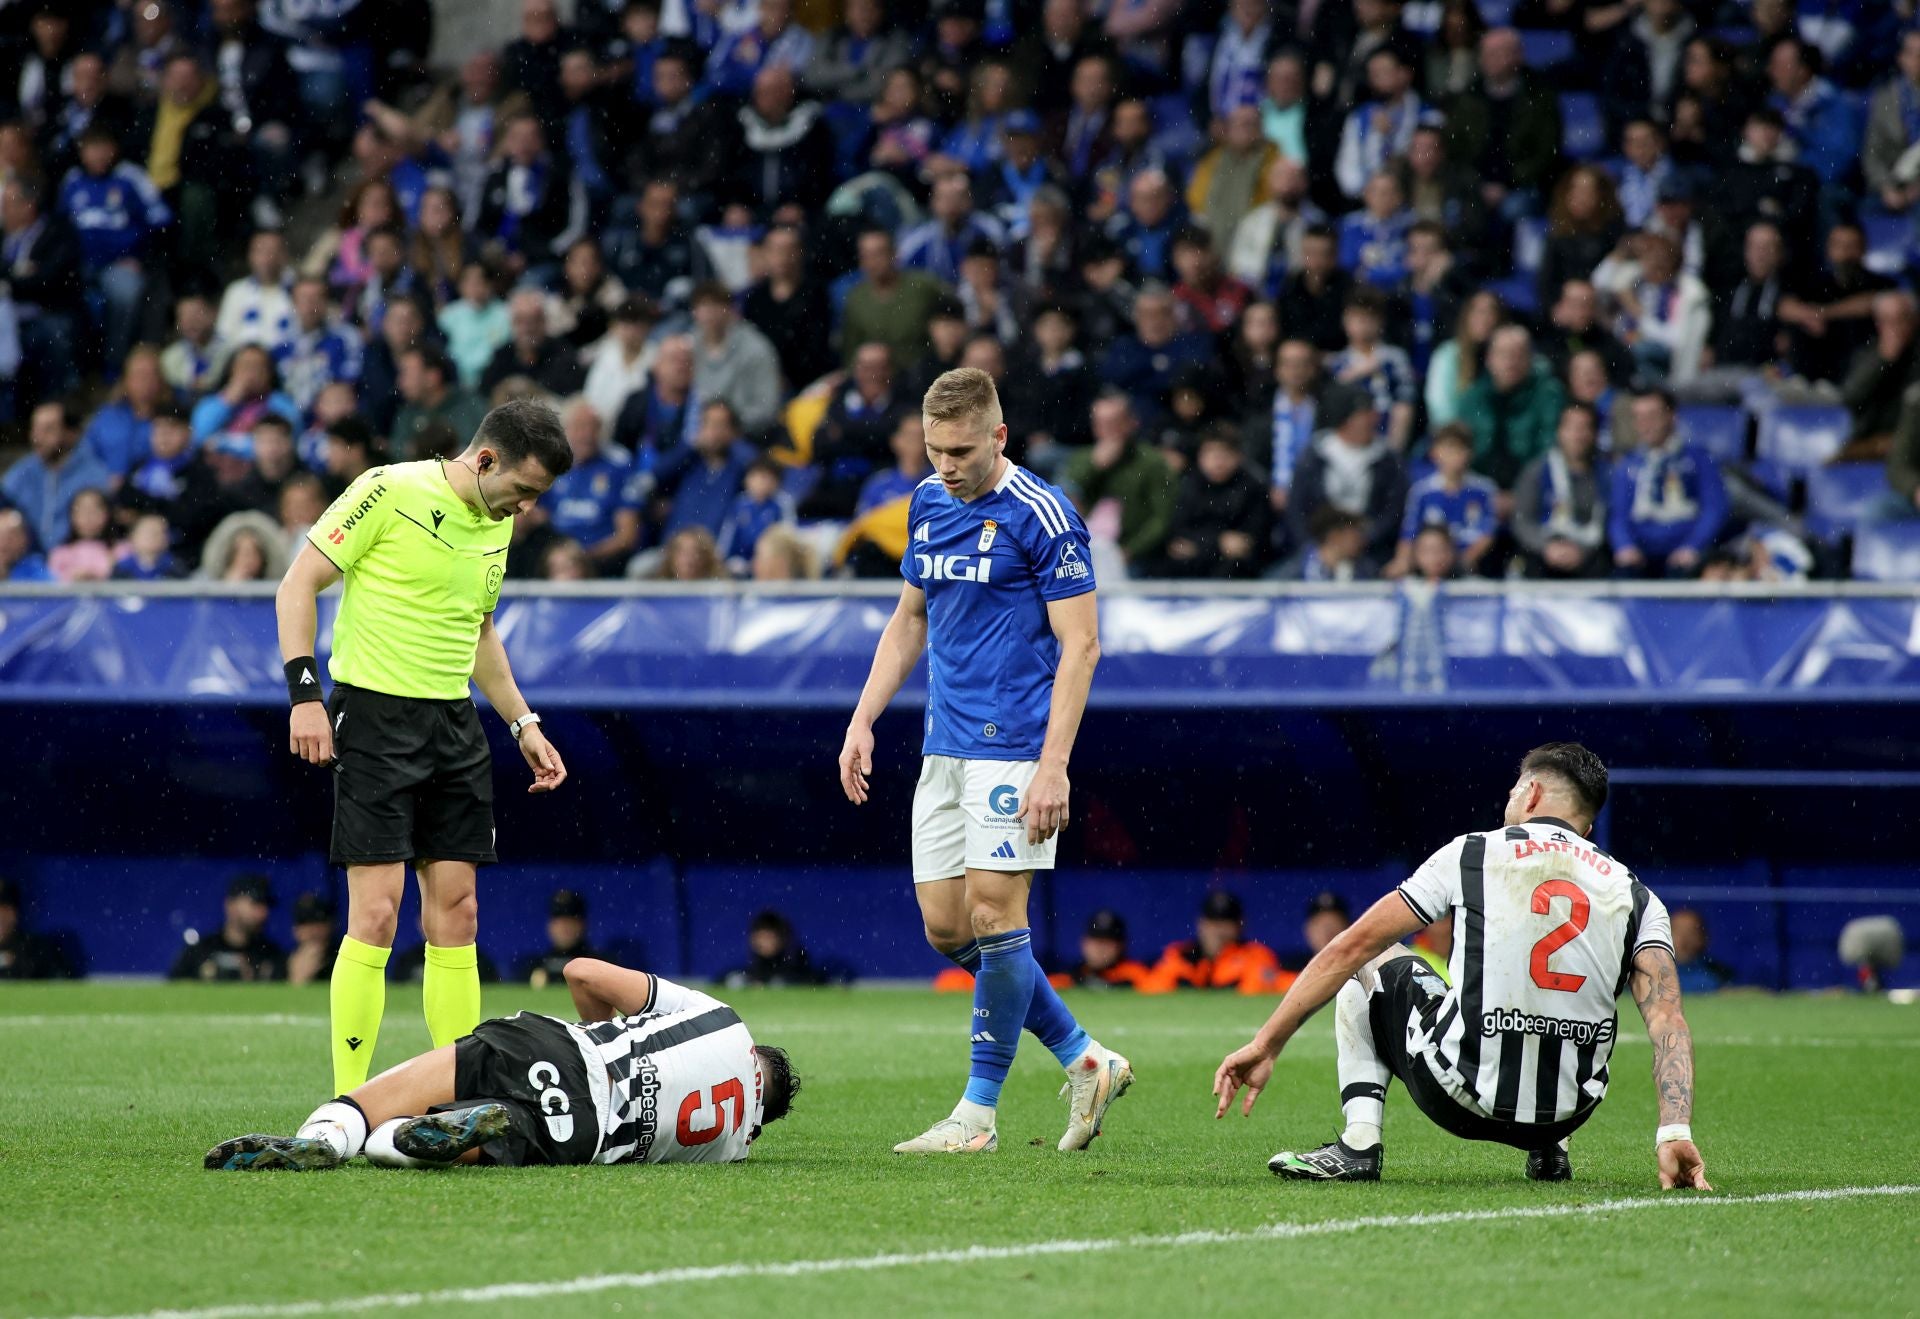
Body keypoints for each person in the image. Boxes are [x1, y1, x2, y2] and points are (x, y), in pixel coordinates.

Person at [838, 367, 1130, 1156]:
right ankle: (1085, 1057)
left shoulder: (1044, 514)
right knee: (945, 925)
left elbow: (1083, 644)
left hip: (1016, 747)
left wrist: (1054, 764)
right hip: (944, 746)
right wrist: (863, 719)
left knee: (998, 915)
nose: (946, 465)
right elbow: (909, 620)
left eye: (961, 449)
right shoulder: (928, 505)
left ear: (997, 437)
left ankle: (977, 1115)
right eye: (934, 450)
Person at [1213, 742, 1710, 1191]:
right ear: (1587, 824)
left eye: (1514, 791)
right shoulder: (1638, 896)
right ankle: (1548, 1149)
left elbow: (1350, 947)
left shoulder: (1473, 852)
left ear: (1532, 794)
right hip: (1565, 1113)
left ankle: (1359, 1145)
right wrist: (1674, 1132)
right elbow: (1668, 1020)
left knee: (1372, 960)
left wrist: (1266, 1043)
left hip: (1458, 1098)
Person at [276, 400, 574, 1096]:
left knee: (460, 910)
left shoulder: (496, 527)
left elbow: (480, 634)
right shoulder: (389, 488)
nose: (526, 508)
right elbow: (298, 585)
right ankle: (348, 1098)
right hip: (374, 717)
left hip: (453, 724)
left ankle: (458, 1098)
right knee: (376, 913)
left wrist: (523, 722)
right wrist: (304, 695)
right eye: (523, 490)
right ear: (485, 459)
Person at [206, 957, 800, 1171]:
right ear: (760, 1116)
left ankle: (328, 1137)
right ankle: (408, 1140)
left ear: (756, 1054)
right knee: (413, 1143)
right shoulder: (732, 1146)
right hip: (579, 1137)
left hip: (559, 1052)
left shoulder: (725, 1020)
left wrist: (597, 1034)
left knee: (369, 1103)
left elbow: (582, 972)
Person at [1609, 390, 1726, 578]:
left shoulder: (1698, 459)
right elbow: (1618, 515)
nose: (1644, 425)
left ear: (1671, 416)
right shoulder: (1628, 464)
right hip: (1641, 555)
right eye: (1638, 417)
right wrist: (1624, 546)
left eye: (1652, 416)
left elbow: (1714, 508)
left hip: (1685, 553)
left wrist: (1693, 546)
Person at [1513, 403, 1609, 579]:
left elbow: (1607, 521)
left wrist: (1582, 551)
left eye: (1583, 428)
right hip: (1544, 553)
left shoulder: (1605, 474)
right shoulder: (1537, 471)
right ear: (1559, 432)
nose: (1577, 436)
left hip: (1588, 554)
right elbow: (1522, 521)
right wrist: (1547, 547)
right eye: (1571, 428)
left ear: (1594, 434)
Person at [1390, 424, 1499, 578]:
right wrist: (1402, 562)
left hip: (1470, 567)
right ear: (1434, 452)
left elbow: (1487, 534)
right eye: (1448, 449)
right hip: (1430, 565)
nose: (1454, 456)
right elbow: (1409, 533)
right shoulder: (1422, 491)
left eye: (1459, 449)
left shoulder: (1484, 489)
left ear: (1470, 453)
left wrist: (1462, 562)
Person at [1142, 891, 1282, 994]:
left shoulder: (1256, 955)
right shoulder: (1180, 955)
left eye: (1226, 923)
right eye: (1213, 922)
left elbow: (1258, 989)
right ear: (1200, 924)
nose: (1218, 931)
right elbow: (1153, 989)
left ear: (1240, 925)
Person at [168, 874, 287, 982]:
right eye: (255, 903)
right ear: (230, 905)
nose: (263, 912)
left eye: (266, 905)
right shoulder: (200, 952)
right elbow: (173, 993)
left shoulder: (272, 955)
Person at [517, 889, 602, 989]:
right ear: (549, 925)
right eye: (559, 919)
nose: (564, 926)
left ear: (583, 924)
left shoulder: (601, 965)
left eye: (571, 919)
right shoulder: (534, 966)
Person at [722, 910, 830, 988]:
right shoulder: (743, 973)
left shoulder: (800, 968)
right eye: (760, 937)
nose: (764, 943)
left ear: (782, 939)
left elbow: (816, 982)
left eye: (769, 937)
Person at [0, 876, 77, 979]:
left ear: (15, 913)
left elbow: (63, 981)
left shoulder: (36, 949)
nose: (1, 916)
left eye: (5, 909)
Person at [1669, 908, 1734, 994]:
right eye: (1676, 931)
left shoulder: (1718, 975)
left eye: (1690, 933)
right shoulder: (1649, 973)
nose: (1683, 940)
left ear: (1702, 938)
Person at [287, 891, 339, 986]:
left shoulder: (343, 959)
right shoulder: (282, 961)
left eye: (318, 922)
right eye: (305, 923)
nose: (312, 930)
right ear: (295, 930)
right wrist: (296, 979)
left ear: (331, 925)